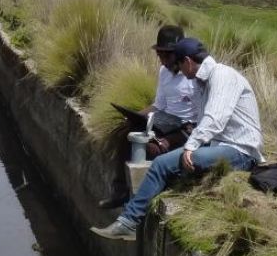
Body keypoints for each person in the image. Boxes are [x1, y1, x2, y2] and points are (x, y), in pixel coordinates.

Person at [91, 37, 264, 241]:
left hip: (240, 150)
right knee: (164, 162)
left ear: (188, 61)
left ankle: (128, 222)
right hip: (222, 143)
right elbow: (204, 122)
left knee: (161, 165)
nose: (180, 72)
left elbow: (214, 119)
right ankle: (130, 216)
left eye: (181, 66)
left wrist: (190, 146)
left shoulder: (222, 76)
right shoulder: (204, 81)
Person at [97, 25, 198, 209]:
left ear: (179, 53)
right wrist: (136, 116)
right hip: (164, 121)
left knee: (150, 148)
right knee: (125, 134)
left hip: (185, 129)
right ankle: (120, 192)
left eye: (166, 56)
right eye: (160, 55)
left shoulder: (193, 76)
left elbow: (203, 116)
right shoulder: (164, 72)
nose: (162, 61)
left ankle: (141, 200)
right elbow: (159, 105)